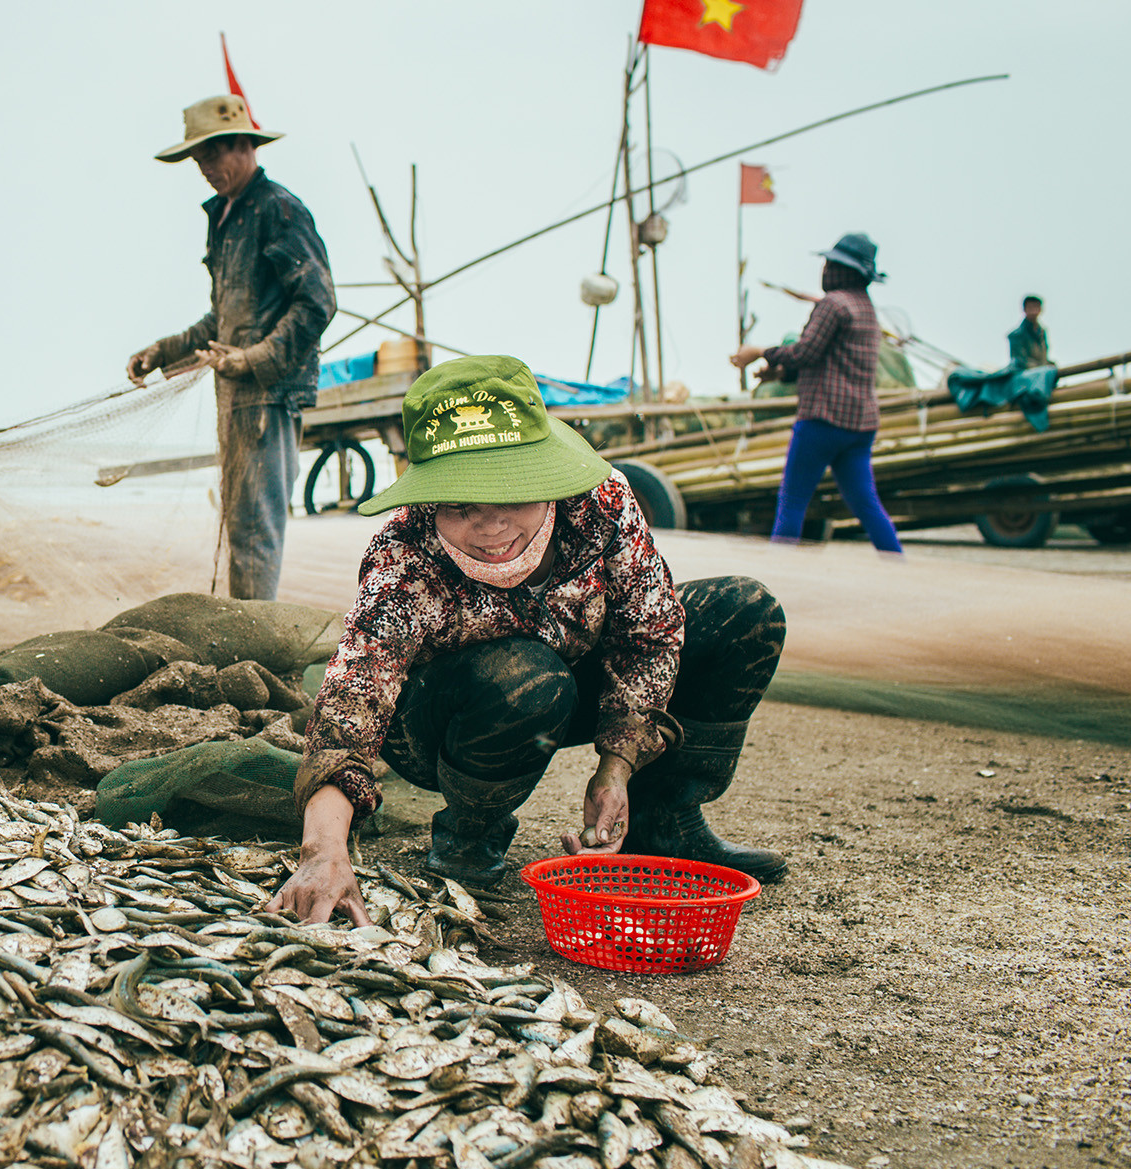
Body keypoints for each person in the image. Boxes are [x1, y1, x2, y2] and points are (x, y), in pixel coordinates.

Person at [268, 355, 789, 925]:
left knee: (745, 612)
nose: (491, 529)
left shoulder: (602, 502)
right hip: (444, 722)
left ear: (547, 482)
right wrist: (323, 851)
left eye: (512, 497)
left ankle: (664, 818)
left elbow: (650, 631)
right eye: (462, 506)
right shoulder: (405, 553)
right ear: (431, 501)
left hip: (569, 684)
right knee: (527, 673)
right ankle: (469, 834)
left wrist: (617, 767)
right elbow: (354, 699)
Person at [125, 95, 335, 600]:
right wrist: (162, 350)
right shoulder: (225, 215)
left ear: (245, 146)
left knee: (255, 530)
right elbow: (223, 319)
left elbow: (318, 301)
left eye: (214, 155)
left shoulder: (278, 208)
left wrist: (254, 359)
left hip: (267, 396)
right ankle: (249, 641)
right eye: (199, 159)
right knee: (241, 525)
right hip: (234, 397)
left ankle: (256, 655)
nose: (205, 168)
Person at [731, 232, 902, 554]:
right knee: (865, 503)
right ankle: (897, 563)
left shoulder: (833, 304)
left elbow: (805, 353)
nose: (825, 269)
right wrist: (779, 372)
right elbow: (826, 359)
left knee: (793, 501)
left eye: (830, 264)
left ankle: (779, 574)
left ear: (843, 270)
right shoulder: (865, 308)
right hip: (860, 425)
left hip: (824, 420)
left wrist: (758, 351)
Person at [1009, 295, 1050, 369]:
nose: (1033, 311)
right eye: (1030, 308)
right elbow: (1020, 361)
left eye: (1036, 307)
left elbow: (1044, 357)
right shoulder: (1017, 335)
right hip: (1026, 375)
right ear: (1024, 309)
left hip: (1042, 373)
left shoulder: (1041, 332)